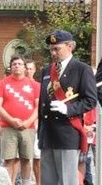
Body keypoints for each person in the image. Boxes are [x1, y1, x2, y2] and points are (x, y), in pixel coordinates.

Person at [38, 30, 97, 185]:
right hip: (48, 133)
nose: (53, 53)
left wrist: (68, 109)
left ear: (70, 46)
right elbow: (42, 104)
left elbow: (90, 100)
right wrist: (40, 131)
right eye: (51, 49)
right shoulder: (46, 70)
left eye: (57, 48)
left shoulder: (81, 69)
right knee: (47, 181)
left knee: (67, 181)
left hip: (67, 133)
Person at [0, 55, 39, 185]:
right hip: (8, 127)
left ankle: (26, 183)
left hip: (28, 128)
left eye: (20, 64)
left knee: (26, 159)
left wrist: (28, 122)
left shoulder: (34, 85)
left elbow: (38, 108)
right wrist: (11, 120)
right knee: (9, 159)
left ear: (25, 67)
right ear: (11, 67)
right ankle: (8, 183)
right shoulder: (3, 83)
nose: (17, 66)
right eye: (14, 64)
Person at [25, 59, 41, 185]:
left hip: (35, 125)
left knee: (37, 156)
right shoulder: (18, 85)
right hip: (21, 125)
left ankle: (38, 183)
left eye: (31, 68)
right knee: (23, 157)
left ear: (34, 70)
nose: (28, 71)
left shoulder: (38, 86)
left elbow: (41, 106)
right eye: (27, 68)